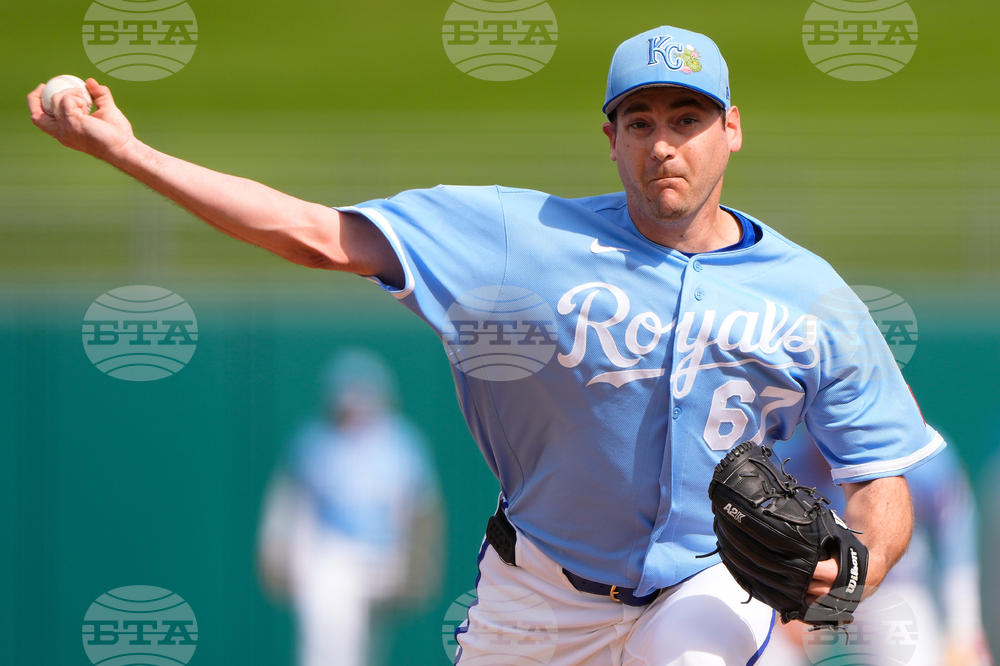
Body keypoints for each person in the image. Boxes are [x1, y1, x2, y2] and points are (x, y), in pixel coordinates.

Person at [29, 25, 944, 666]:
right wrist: (128, 154)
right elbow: (309, 231)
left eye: (689, 119)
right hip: (537, 591)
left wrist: (856, 562)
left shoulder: (811, 293)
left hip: (704, 584)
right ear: (611, 139)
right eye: (642, 122)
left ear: (732, 131)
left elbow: (883, 474)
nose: (666, 145)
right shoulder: (517, 237)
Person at [256, 349, 443, 666]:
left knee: (369, 647)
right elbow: (290, 506)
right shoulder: (314, 441)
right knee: (330, 643)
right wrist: (277, 553)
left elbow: (422, 512)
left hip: (386, 556)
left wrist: (419, 566)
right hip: (333, 556)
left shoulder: (401, 441)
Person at [757, 429, 993, 666]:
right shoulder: (784, 464)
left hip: (893, 587)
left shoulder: (916, 452)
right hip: (811, 588)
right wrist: (781, 604)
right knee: (769, 652)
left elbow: (955, 534)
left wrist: (963, 629)